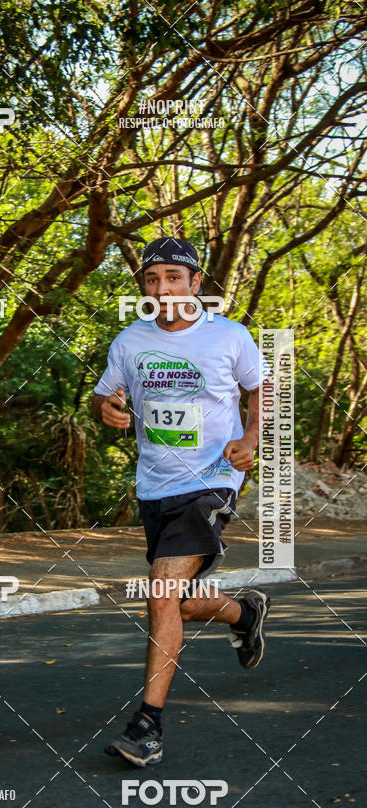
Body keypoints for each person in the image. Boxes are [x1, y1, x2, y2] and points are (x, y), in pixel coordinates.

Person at [92, 237, 270, 767]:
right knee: (169, 600)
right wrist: (107, 408)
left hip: (212, 481)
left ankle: (147, 726)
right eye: (152, 279)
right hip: (155, 485)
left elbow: (259, 390)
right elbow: (106, 392)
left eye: (174, 277)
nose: (163, 288)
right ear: (144, 287)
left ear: (196, 283)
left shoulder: (230, 337)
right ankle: (242, 612)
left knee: (160, 591)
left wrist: (252, 439)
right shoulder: (130, 341)